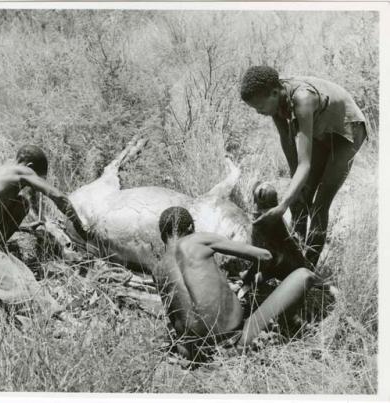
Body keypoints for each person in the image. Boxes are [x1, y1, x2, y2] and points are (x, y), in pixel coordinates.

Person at [154, 206, 321, 362]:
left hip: (196, 354)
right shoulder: (198, 239)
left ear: (163, 236)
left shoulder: (158, 270)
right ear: (190, 227)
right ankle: (288, 325)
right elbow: (265, 256)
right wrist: (252, 276)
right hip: (236, 342)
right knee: (304, 275)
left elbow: (176, 320)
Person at [240, 66, 367, 267]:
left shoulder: (302, 99)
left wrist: (281, 207)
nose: (258, 112)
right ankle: (294, 257)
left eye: (259, 106)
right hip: (321, 130)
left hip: (347, 132)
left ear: (274, 93)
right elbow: (292, 155)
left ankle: (306, 269)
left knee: (319, 205)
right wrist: (295, 195)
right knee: (301, 197)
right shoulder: (276, 106)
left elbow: (305, 165)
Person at [0, 145, 89, 321]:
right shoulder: (22, 171)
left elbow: (29, 195)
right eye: (36, 176)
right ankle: (59, 317)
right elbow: (58, 196)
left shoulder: (6, 169)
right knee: (24, 284)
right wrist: (80, 226)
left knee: (22, 202)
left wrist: (41, 219)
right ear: (28, 165)